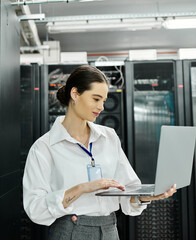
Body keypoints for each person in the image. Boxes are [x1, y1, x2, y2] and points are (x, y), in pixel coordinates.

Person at [22, 65, 176, 240]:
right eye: (96, 99)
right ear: (75, 94)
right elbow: (35, 209)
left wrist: (147, 197)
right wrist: (82, 188)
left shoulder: (109, 137)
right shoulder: (44, 147)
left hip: (109, 230)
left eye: (103, 100)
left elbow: (127, 192)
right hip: (70, 231)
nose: (102, 107)